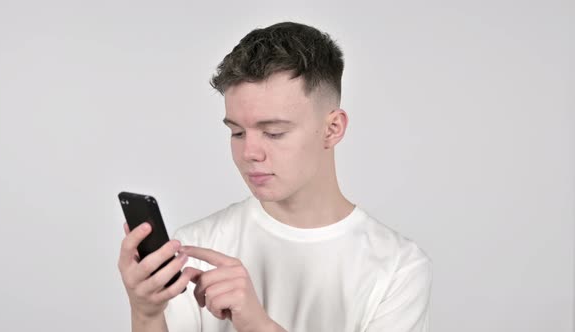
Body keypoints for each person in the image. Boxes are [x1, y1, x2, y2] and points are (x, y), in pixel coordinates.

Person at [118, 21, 432, 332]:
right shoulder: (194, 248)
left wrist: (257, 325)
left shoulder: (398, 267)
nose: (249, 152)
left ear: (332, 129)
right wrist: (145, 314)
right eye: (237, 132)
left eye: (274, 132)